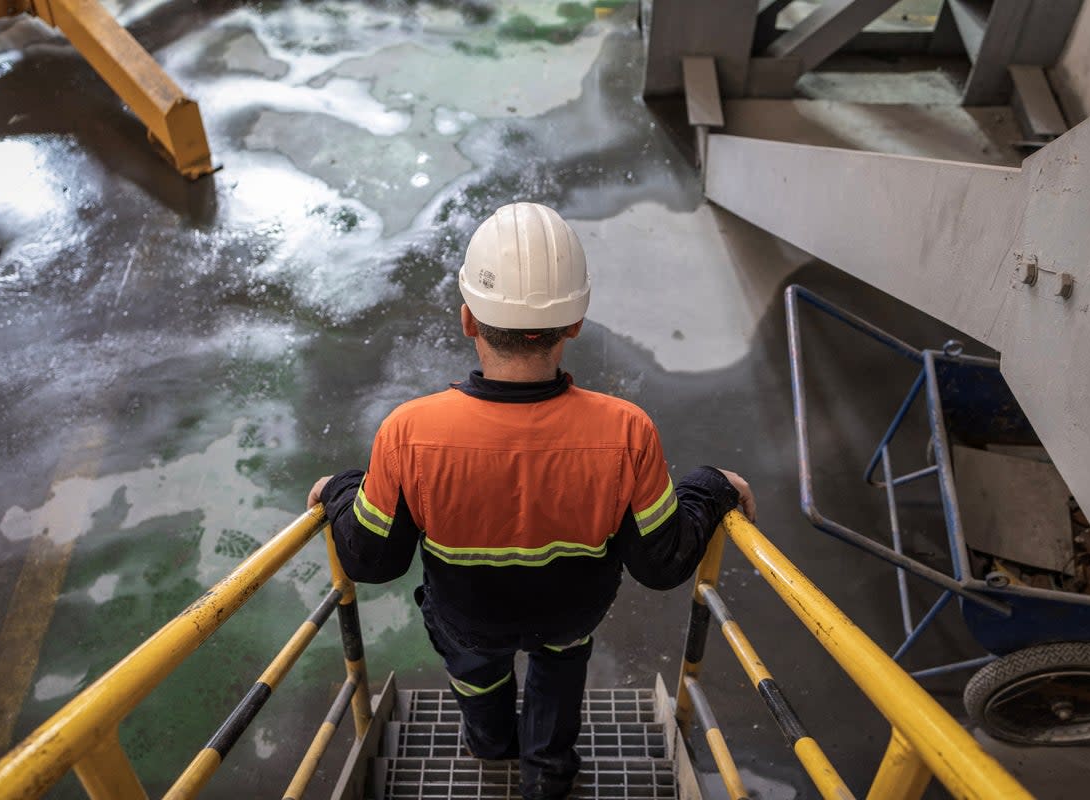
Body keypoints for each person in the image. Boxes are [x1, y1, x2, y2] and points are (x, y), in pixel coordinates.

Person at [306, 202, 754, 800]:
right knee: (559, 675)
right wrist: (711, 486)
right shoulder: (626, 432)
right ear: (574, 324)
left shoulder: (410, 433)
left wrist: (339, 489)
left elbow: (371, 558)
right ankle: (547, 770)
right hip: (570, 614)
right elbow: (662, 563)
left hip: (468, 618)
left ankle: (492, 747)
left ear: (469, 319)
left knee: (477, 675)